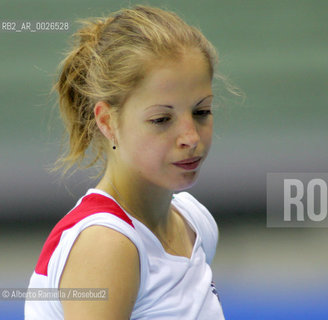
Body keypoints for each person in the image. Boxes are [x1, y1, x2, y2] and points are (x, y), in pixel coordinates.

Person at [25, 5, 225, 319]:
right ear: (107, 121)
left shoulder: (195, 223)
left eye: (201, 112)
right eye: (162, 119)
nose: (190, 137)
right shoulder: (106, 244)